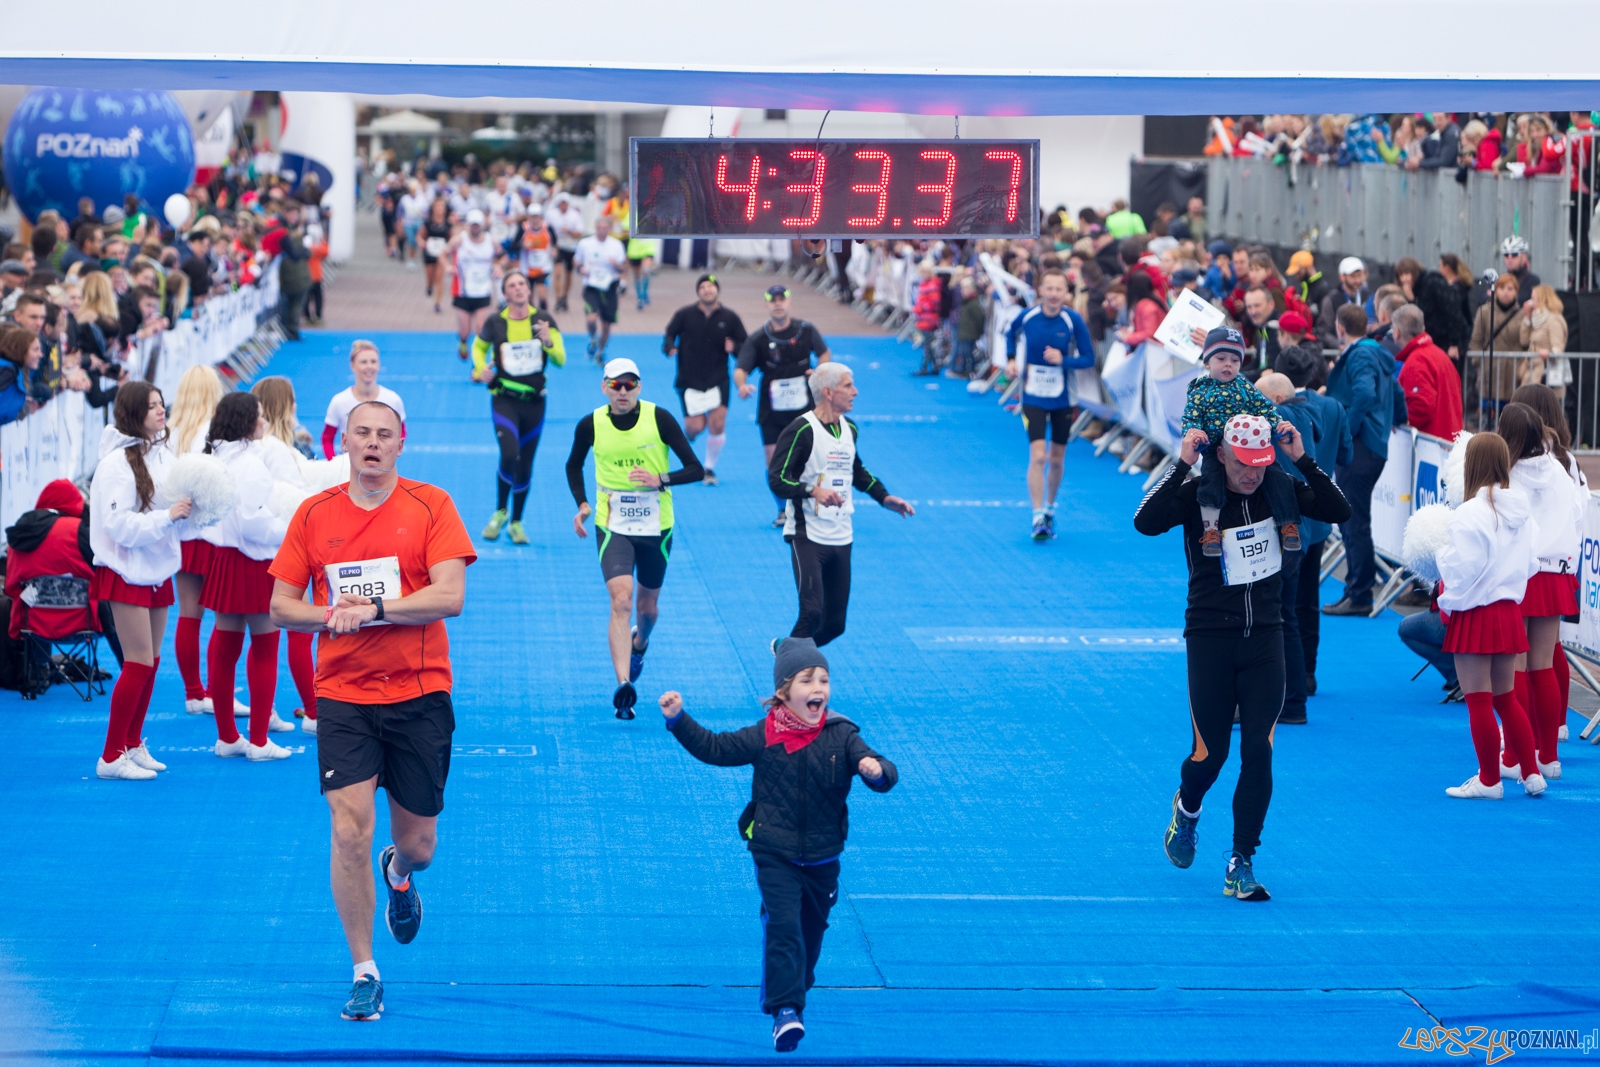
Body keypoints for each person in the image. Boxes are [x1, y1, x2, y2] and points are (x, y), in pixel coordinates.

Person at [270, 398, 477, 1022]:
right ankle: (364, 970)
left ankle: (400, 872)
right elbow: (282, 606)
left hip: (418, 693)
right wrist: (331, 615)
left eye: (384, 435)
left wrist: (376, 609)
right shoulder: (314, 514)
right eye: (362, 433)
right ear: (347, 441)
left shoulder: (431, 504)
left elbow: (451, 595)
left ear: (401, 443)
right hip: (344, 696)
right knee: (348, 829)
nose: (373, 444)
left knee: (419, 843)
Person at [1136, 412, 1350, 899]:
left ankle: (1241, 860)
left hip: (1265, 641)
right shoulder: (1198, 494)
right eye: (1242, 466)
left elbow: (1340, 511)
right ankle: (1186, 811)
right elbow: (1145, 522)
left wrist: (1301, 459)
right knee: (1210, 757)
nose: (1251, 475)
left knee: (1259, 749)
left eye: (1260, 464)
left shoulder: (1281, 489)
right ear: (1223, 457)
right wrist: (1180, 464)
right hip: (1210, 638)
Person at [658, 637, 897, 1053]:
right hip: (774, 852)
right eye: (807, 680)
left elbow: (881, 768)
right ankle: (785, 1011)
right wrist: (679, 719)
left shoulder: (842, 734)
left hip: (824, 857)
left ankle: (793, 987)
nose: (819, 687)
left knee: (810, 934)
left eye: (824, 678)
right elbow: (715, 747)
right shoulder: (764, 734)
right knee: (784, 927)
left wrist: (875, 772)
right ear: (784, 692)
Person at [566, 358, 704, 718]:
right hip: (612, 523)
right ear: (604, 387)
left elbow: (696, 469)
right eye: (616, 385)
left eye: (629, 385)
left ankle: (640, 643)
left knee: (646, 609)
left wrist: (661, 479)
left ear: (639, 387)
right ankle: (624, 684)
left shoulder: (659, 418)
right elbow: (572, 464)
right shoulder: (591, 423)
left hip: (656, 525)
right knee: (621, 601)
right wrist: (582, 504)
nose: (623, 392)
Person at [767, 363, 914, 649]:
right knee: (811, 612)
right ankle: (788, 681)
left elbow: (856, 471)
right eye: (849, 386)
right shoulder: (801, 430)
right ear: (828, 392)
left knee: (834, 625)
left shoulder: (850, 429)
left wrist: (884, 497)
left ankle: (785, 650)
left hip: (841, 534)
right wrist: (811, 491)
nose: (856, 392)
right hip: (806, 534)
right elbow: (777, 478)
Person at [88, 383, 191, 780]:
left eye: (162, 404)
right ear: (133, 412)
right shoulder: (116, 464)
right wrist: (167, 518)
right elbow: (117, 524)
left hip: (155, 566)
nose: (161, 411)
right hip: (125, 568)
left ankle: (131, 742)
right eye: (151, 406)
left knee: (151, 663)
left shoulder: (161, 452)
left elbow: (169, 506)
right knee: (137, 662)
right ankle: (111, 756)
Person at [1435, 433, 1544, 799]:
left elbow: (1462, 571)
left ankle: (1489, 780)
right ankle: (1531, 773)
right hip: (1509, 611)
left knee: (1479, 699)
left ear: (1472, 465)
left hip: (1476, 612)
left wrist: (1440, 566)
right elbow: (1531, 565)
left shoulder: (1469, 513)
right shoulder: (1523, 512)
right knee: (1506, 697)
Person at [200, 392, 295, 760]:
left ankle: (227, 736)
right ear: (245, 421)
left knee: (225, 650)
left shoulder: (219, 457)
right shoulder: (251, 465)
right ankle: (258, 740)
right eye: (259, 416)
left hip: (226, 559)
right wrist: (289, 529)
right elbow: (254, 524)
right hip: (254, 561)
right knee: (266, 648)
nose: (264, 422)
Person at [1500, 403, 1583, 784]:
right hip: (1555, 573)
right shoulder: (1561, 471)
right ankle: (1548, 756)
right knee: (1543, 665)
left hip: (1520, 573)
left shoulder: (1506, 476)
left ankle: (1515, 754)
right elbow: (1578, 517)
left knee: (1515, 668)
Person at [1181, 328, 1302, 557]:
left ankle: (1288, 524)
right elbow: (1190, 417)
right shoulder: (1198, 388)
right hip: (1215, 447)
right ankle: (1211, 531)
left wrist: (1278, 425)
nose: (1228, 365)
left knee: (1277, 475)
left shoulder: (1244, 385)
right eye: (1221, 358)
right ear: (1207, 361)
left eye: (1235, 360)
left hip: (1251, 446)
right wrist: (1194, 433)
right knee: (1210, 481)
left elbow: (1265, 407)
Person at [472, 271, 566, 543]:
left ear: (529, 289)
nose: (518, 288)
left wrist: (548, 341)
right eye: (512, 285)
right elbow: (478, 348)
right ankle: (500, 511)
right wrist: (481, 369)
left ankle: (516, 522)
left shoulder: (544, 320)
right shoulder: (495, 321)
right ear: (505, 294)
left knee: (525, 462)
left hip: (535, 402)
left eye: (522, 284)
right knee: (509, 452)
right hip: (504, 399)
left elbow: (560, 359)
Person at [1003, 269, 1095, 540]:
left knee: (1056, 459)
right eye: (1049, 288)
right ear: (1040, 290)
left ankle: (1051, 509)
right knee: (1038, 456)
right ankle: (1037, 515)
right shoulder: (1028, 316)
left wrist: (1063, 360)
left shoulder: (1072, 319)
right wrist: (1010, 360)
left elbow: (1089, 358)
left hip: (1064, 399)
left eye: (1059, 289)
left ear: (1066, 293)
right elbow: (1010, 334)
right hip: (1032, 396)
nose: (1054, 294)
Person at [1322, 305, 1399, 617]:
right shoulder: (1373, 352)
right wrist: (1399, 418)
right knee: (1353, 521)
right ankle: (1356, 590)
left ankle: (1360, 593)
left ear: (1340, 327)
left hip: (1362, 446)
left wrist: (1346, 432)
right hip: (1371, 445)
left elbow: (1365, 394)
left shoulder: (1361, 355)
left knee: (1354, 523)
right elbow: (1395, 389)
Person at [736, 286, 832, 527]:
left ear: (789, 303)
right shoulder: (758, 338)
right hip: (771, 410)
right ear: (767, 305)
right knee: (774, 464)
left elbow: (824, 353)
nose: (777, 304)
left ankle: (811, 505)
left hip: (805, 408)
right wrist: (742, 385)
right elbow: (740, 369)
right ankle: (782, 510)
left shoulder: (806, 330)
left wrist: (819, 371)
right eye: (772, 300)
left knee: (809, 459)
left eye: (782, 299)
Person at [167, 365, 229, 715]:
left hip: (183, 531)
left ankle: (194, 692)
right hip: (212, 532)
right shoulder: (215, 432)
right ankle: (215, 691)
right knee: (225, 618)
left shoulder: (171, 431)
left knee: (188, 614)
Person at [662, 274, 747, 486]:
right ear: (698, 291)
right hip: (689, 380)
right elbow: (669, 334)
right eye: (703, 287)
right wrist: (669, 347)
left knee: (717, 423)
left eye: (711, 286)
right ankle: (690, 434)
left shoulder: (730, 317)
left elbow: (745, 346)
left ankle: (708, 469)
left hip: (718, 379)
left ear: (717, 290)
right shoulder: (685, 314)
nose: (707, 290)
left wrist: (734, 348)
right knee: (695, 427)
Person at [324, 341, 407, 459]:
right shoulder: (339, 401)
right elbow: (327, 438)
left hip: (381, 466)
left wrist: (389, 454)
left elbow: (401, 431)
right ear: (352, 365)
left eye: (373, 361)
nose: (369, 366)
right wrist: (334, 464)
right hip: (350, 469)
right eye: (363, 362)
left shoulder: (393, 400)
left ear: (379, 365)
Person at [1392, 304, 1464, 440]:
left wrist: (1399, 422)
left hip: (1430, 447)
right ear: (1423, 328)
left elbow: (1421, 407)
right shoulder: (1439, 355)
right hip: (1449, 441)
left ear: (1397, 332)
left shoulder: (1417, 361)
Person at [445, 209, 498, 362]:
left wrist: (498, 266)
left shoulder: (491, 241)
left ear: (482, 225)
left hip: (483, 291)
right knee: (465, 331)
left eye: (477, 225)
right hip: (463, 292)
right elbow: (443, 253)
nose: (475, 227)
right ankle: (462, 341)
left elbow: (503, 257)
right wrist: (448, 266)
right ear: (468, 225)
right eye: (472, 225)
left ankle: (477, 365)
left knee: (480, 329)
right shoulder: (459, 240)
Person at [575, 215, 628, 363]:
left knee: (606, 324)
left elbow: (623, 268)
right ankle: (592, 338)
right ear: (595, 228)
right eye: (599, 228)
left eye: (605, 228)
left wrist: (616, 265)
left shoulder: (616, 245)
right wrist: (581, 269)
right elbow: (577, 262)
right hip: (591, 286)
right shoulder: (585, 244)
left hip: (609, 287)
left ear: (609, 229)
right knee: (591, 318)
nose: (602, 231)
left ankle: (601, 351)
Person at [1519, 285, 1569, 399]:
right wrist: (1527, 318)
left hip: (1545, 375)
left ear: (1542, 300)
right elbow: (1524, 341)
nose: (1530, 302)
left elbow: (1558, 347)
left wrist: (1549, 353)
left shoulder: (1553, 320)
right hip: (1532, 372)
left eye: (1533, 298)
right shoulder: (1536, 319)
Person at [1317, 258, 1368, 352]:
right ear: (1342, 277)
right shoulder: (1331, 299)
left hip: (1364, 346)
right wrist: (1338, 345)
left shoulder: (1366, 295)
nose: (1357, 280)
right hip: (1341, 351)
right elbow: (1323, 331)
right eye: (1353, 276)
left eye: (1359, 275)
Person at [548, 193, 586, 313]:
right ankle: (558, 297)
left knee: (568, 274)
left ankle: (565, 296)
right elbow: (546, 230)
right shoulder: (551, 214)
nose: (563, 205)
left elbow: (579, 234)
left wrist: (569, 231)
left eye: (565, 203)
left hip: (570, 247)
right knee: (558, 272)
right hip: (558, 246)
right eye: (561, 203)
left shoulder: (574, 215)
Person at [419, 198, 452, 316]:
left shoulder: (448, 223)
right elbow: (419, 236)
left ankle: (437, 303)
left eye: (441, 207)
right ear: (433, 209)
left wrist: (449, 248)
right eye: (437, 207)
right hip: (429, 253)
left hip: (441, 255)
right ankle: (428, 286)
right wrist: (422, 243)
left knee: (439, 279)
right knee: (430, 276)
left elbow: (451, 238)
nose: (439, 209)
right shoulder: (428, 223)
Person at [1499, 236, 1540, 305]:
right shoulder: (1500, 279)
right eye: (1506, 255)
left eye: (1514, 254)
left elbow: (1522, 301)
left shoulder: (1532, 280)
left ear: (1524, 257)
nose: (1510, 258)